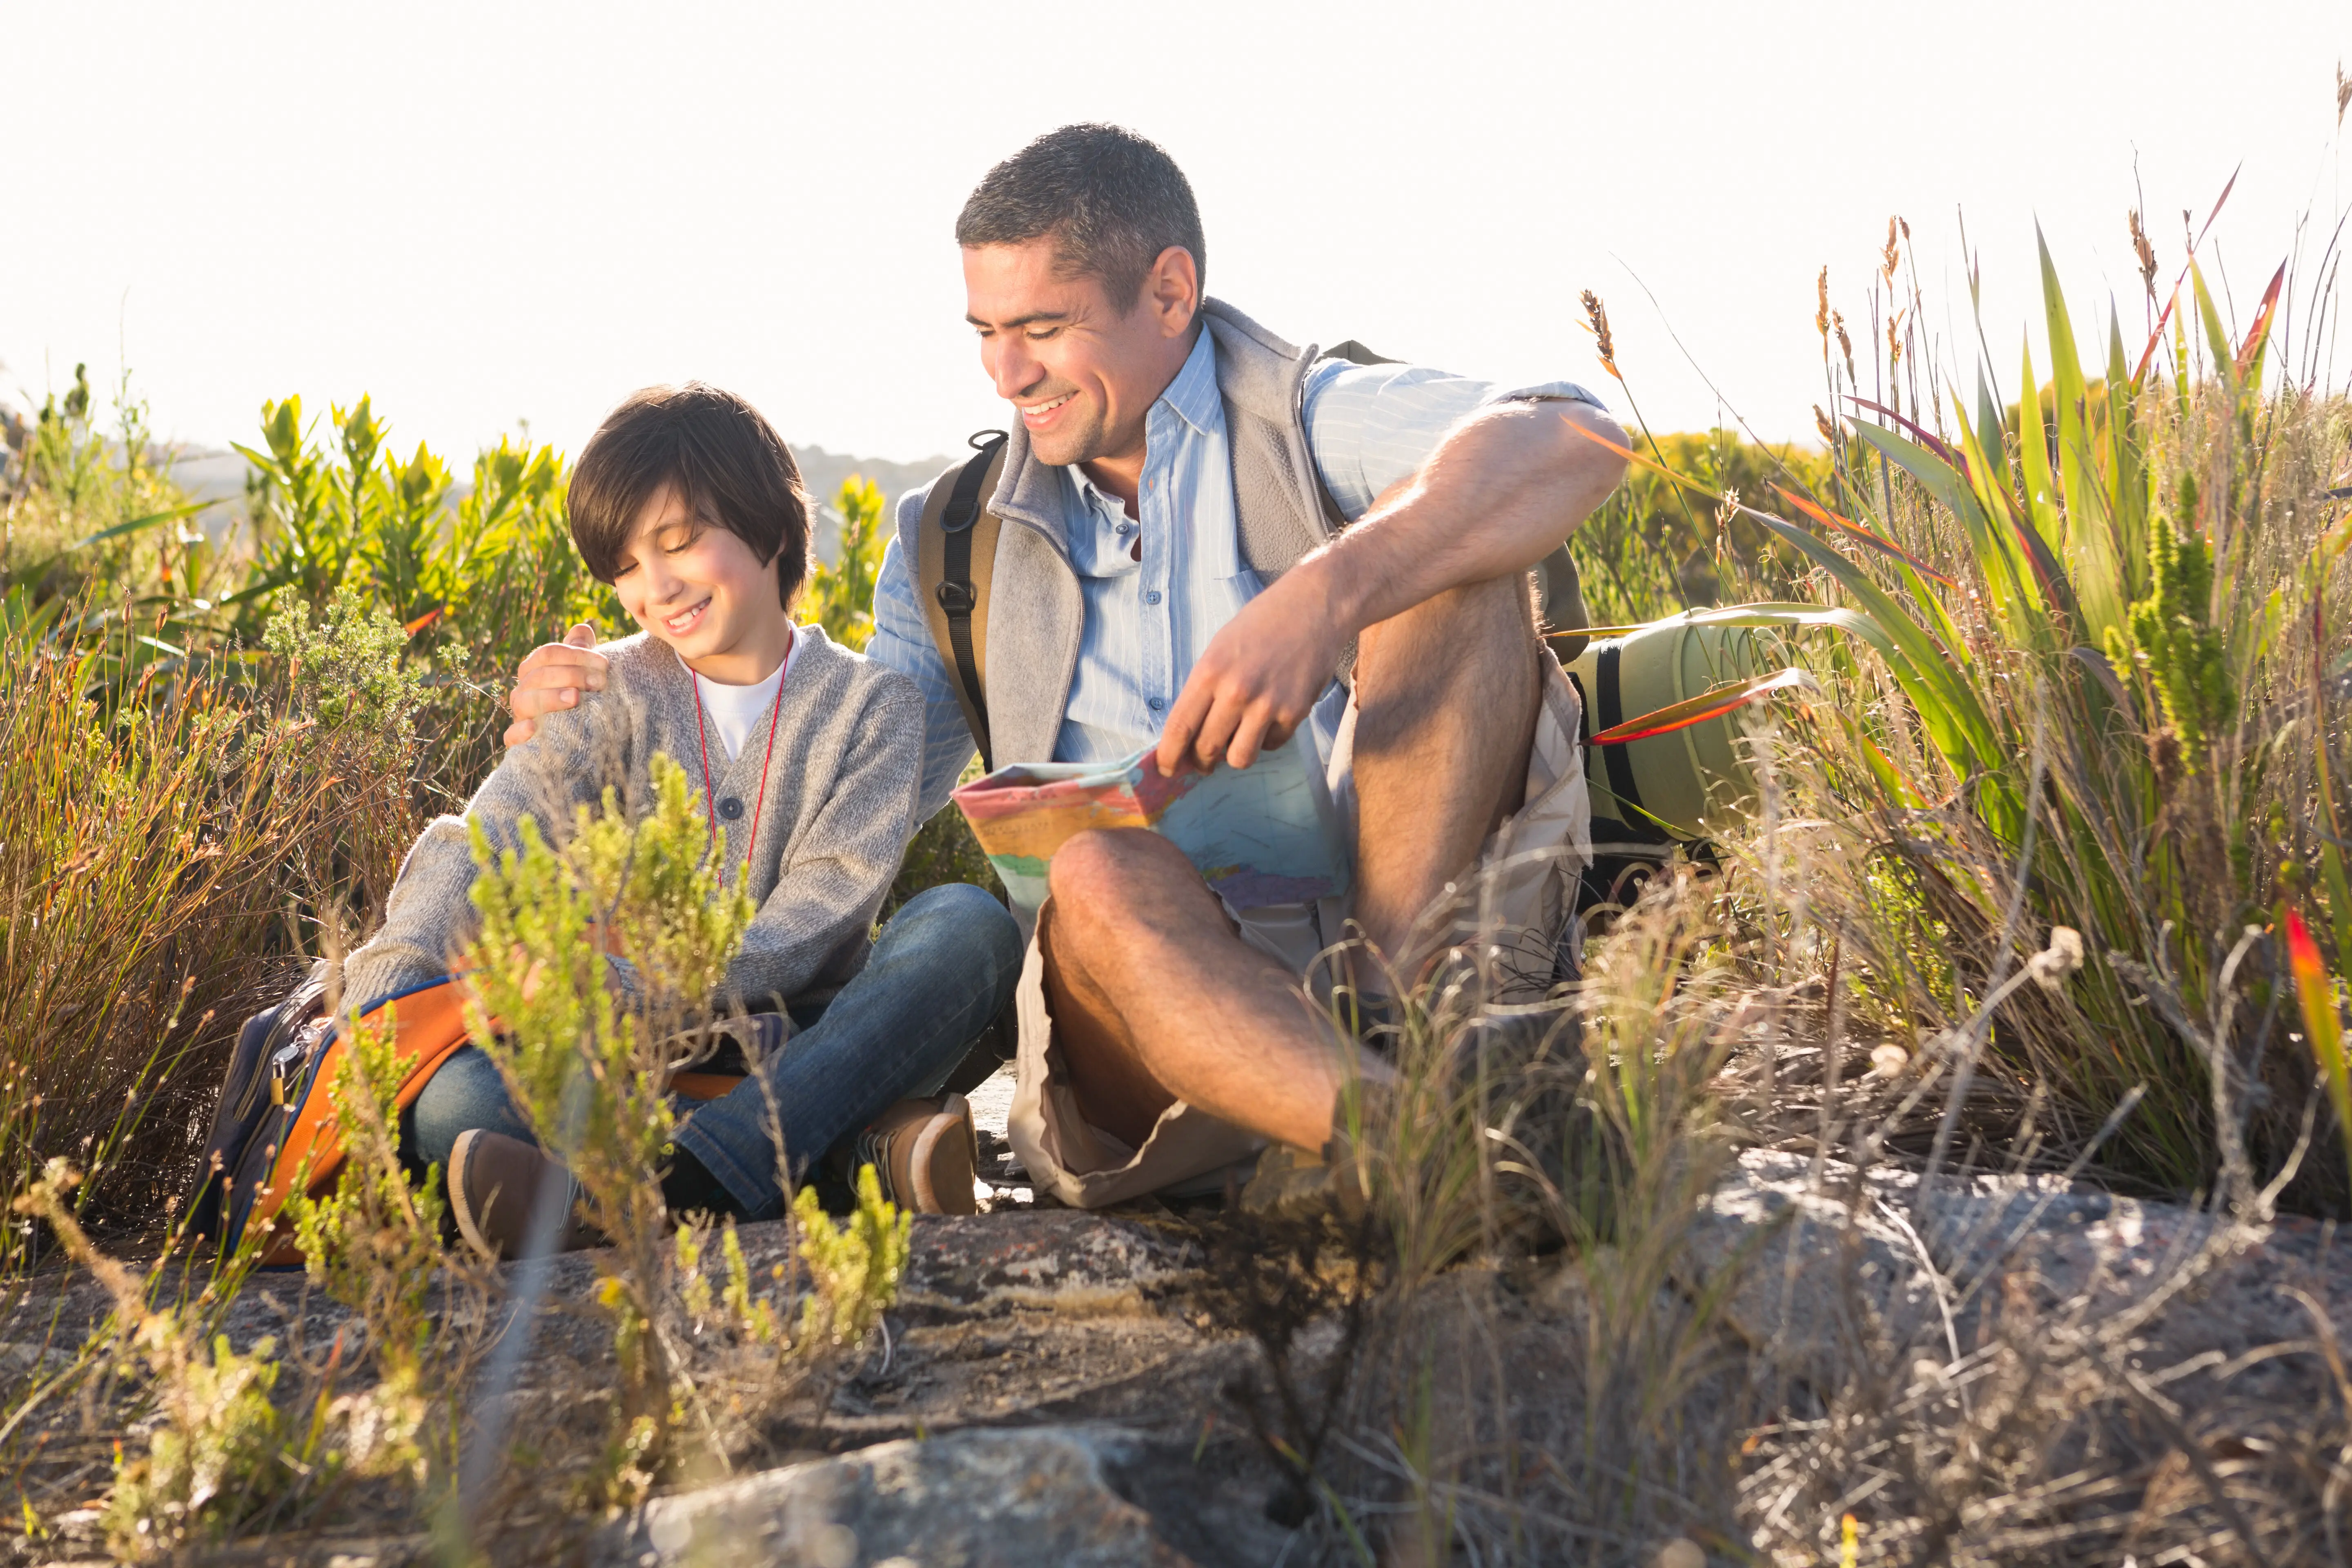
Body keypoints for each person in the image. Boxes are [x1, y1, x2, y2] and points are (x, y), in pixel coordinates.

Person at [505, 125, 1627, 1215]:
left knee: (1457, 563)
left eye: (1042, 326)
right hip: (1141, 1016)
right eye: (984, 330)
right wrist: (625, 693)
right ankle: (1438, 1159)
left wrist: (1328, 595)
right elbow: (845, 764)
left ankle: (1386, 1059)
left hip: (1400, 952)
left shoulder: (1305, 414)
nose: (1006, 373)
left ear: (1171, 293)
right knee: (1095, 873)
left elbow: (1579, 436)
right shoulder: (950, 544)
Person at [344, 382, 1022, 1255]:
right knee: (455, 1102)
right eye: (625, 565)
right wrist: (384, 991)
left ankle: (668, 1189)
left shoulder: (870, 707)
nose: (654, 587)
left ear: (771, 528)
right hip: (621, 1066)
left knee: (968, 926)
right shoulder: (602, 688)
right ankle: (850, 1161)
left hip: (807, 1045)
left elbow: (816, 924)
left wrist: (634, 986)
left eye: (680, 542)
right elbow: (489, 838)